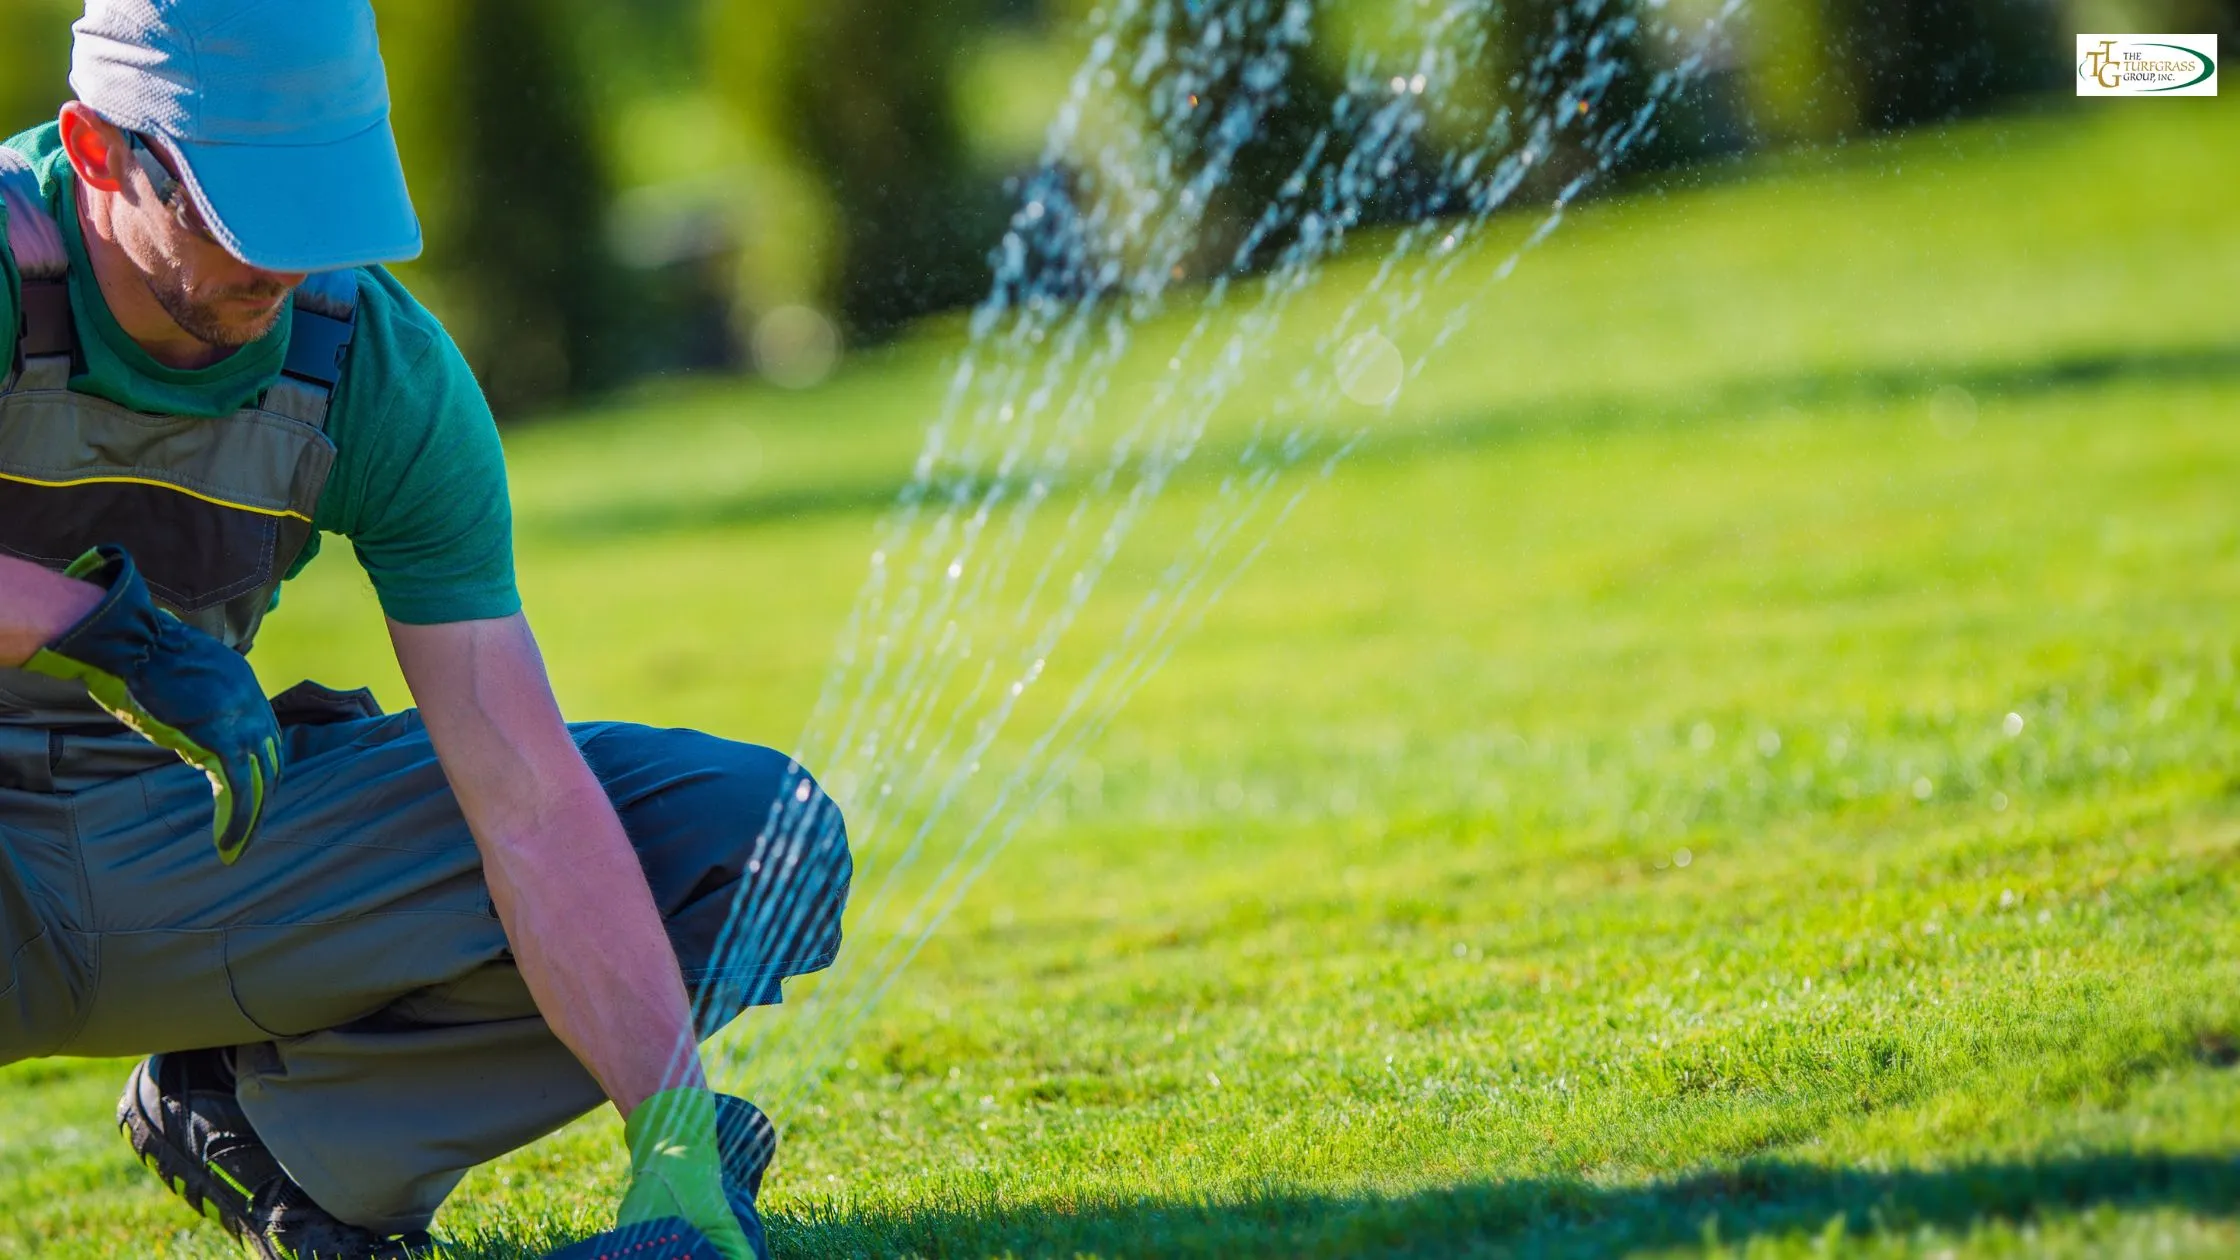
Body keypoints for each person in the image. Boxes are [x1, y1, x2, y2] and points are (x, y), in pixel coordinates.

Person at [0, 3, 852, 1258]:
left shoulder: (374, 370)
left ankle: (280, 1138)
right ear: (94, 150)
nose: (283, 269)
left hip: (187, 841)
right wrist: (103, 632)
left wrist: (668, 1136)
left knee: (745, 845)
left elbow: (524, 792)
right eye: (238, 218)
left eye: (315, 212)